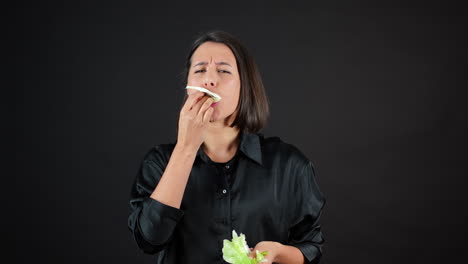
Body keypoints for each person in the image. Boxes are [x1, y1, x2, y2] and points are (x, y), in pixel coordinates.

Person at [127, 30, 326, 264]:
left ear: (245, 86)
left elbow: (311, 246)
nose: (209, 80)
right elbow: (150, 240)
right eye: (200, 70)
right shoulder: (159, 162)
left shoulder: (289, 165)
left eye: (223, 70)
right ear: (188, 86)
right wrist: (186, 148)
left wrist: (278, 252)